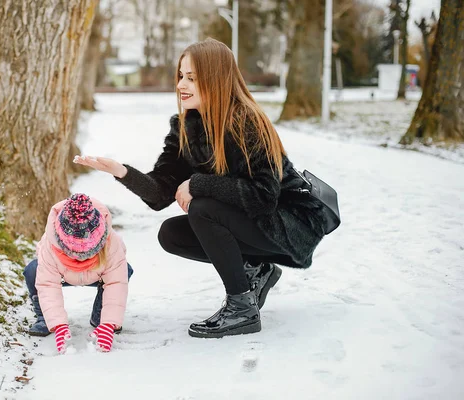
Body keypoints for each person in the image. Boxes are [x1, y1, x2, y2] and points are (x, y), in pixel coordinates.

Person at [73, 38, 328, 339]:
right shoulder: (184, 127)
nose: (182, 84)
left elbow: (263, 197)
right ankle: (256, 271)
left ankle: (242, 308)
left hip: (291, 224)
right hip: (258, 223)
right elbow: (160, 194)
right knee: (171, 233)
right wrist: (122, 172)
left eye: (192, 78)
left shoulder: (248, 123)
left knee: (203, 208)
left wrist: (198, 183)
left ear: (215, 79)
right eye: (181, 76)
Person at [23, 193, 132, 353]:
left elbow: (116, 283)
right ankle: (45, 318)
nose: (80, 258)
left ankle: (100, 315)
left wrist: (108, 323)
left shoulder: (111, 243)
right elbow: (48, 285)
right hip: (63, 274)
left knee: (123, 270)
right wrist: (58, 324)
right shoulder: (50, 245)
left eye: (88, 252)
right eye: (73, 252)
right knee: (33, 270)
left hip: (96, 274)